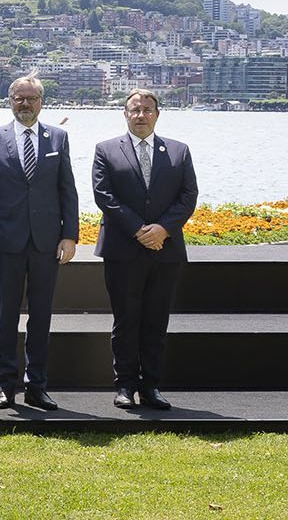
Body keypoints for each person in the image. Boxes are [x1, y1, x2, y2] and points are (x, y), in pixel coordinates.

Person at [0, 75, 79, 411]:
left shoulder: (58, 138)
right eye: (19, 98)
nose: (25, 104)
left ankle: (37, 385)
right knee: (5, 316)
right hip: (6, 243)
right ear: (10, 100)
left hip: (47, 243)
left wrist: (70, 235)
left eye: (31, 98)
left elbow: (68, 190)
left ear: (41, 101)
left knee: (41, 317)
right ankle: (5, 386)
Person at [93, 89, 197, 411]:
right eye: (135, 109)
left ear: (157, 114)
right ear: (125, 114)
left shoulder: (178, 152)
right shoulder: (106, 150)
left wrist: (163, 229)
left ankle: (151, 386)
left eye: (147, 109)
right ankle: (124, 385)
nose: (141, 115)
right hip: (123, 250)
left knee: (155, 321)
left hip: (165, 251)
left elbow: (188, 195)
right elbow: (104, 195)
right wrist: (139, 230)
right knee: (125, 321)